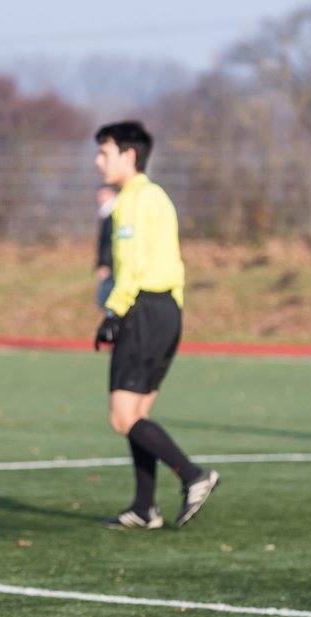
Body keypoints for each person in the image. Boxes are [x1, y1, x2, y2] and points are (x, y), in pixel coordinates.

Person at [92, 121, 218, 529]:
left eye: (104, 153)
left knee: (122, 416)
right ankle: (145, 507)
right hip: (167, 309)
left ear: (129, 155)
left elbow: (132, 266)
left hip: (144, 308)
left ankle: (194, 475)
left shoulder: (131, 200)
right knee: (139, 412)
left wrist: (114, 312)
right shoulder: (158, 197)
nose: (98, 161)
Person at [94, 183, 117, 312]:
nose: (100, 198)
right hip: (110, 267)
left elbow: (111, 243)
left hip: (112, 269)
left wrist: (106, 264)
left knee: (108, 303)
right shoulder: (106, 214)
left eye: (104, 194)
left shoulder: (114, 214)